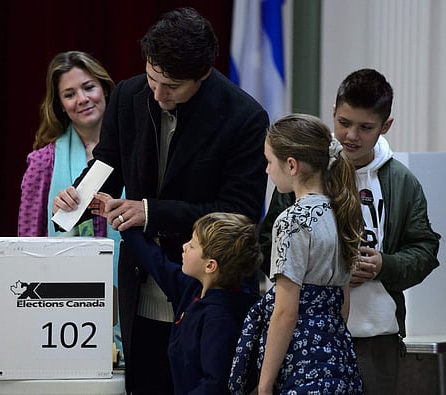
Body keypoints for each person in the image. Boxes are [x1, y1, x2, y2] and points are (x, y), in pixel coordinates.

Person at [52, 7, 269, 395]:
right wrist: (78, 197)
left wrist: (150, 213)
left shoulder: (245, 117)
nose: (157, 93)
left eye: (170, 86)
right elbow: (109, 161)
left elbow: (241, 214)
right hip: (142, 290)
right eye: (152, 77)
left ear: (202, 75)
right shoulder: (130, 94)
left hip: (212, 296)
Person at [259, 69, 441, 395]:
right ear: (333, 112)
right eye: (344, 123)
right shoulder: (302, 171)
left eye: (365, 127)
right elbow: (268, 243)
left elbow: (425, 249)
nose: (351, 135)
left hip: (377, 336)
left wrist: (384, 264)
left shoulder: (401, 180)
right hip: (307, 334)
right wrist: (327, 270)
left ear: (385, 126)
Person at [230, 114, 364, 394]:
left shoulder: (292, 220)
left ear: (291, 165)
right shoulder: (343, 211)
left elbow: (285, 313)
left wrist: (264, 386)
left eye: (268, 161)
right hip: (337, 355)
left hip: (300, 361)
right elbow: (343, 302)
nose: (266, 170)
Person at [17, 51, 124, 365]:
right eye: (69, 94)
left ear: (104, 88)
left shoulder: (139, 151)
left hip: (135, 302)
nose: (82, 98)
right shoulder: (42, 163)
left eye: (88, 87)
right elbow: (25, 246)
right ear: (59, 105)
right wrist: (58, 212)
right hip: (60, 313)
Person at [107, 211, 261, 394]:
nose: (184, 246)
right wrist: (121, 221)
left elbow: (215, 385)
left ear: (210, 266)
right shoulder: (194, 289)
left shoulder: (220, 320)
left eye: (193, 245)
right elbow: (156, 262)